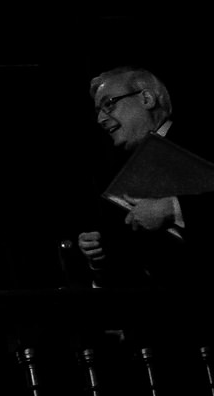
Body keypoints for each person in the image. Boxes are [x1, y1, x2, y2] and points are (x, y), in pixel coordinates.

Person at [77, 67, 212, 289]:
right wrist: (99, 261)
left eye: (109, 103)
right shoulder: (116, 179)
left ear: (147, 98)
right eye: (98, 110)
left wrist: (172, 209)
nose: (101, 118)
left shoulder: (202, 139)